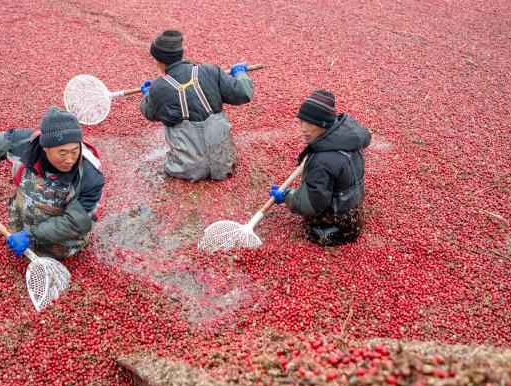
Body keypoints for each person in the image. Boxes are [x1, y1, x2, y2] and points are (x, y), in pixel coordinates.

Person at [0, 107, 105, 259]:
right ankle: (24, 230)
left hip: (65, 228)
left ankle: (36, 238)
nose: (69, 159)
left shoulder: (90, 175)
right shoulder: (25, 144)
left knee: (61, 249)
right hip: (25, 211)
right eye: (62, 153)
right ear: (45, 148)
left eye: (75, 151)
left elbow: (78, 221)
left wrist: (32, 236)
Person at [139, 29, 254, 182]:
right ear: (180, 54)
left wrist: (149, 96)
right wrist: (241, 74)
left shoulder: (159, 88)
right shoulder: (211, 71)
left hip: (185, 168)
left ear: (159, 59)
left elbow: (150, 113)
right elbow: (243, 93)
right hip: (224, 162)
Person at [268, 90, 371, 246]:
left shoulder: (322, 161)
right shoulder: (350, 139)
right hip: (353, 214)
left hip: (333, 228)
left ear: (324, 124)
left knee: (315, 220)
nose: (303, 128)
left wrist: (287, 196)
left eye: (310, 123)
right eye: (301, 121)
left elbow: (312, 204)